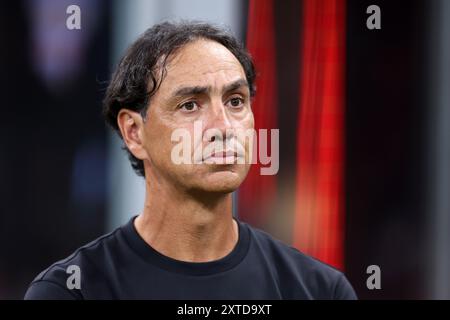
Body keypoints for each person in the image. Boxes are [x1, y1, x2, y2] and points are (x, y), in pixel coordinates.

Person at [24, 21, 357, 300]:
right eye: (190, 105)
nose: (224, 127)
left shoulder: (320, 291)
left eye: (236, 101)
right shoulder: (71, 291)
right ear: (134, 132)